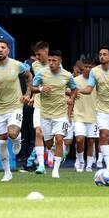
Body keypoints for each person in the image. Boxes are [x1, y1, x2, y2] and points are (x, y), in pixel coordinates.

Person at [0, 39, 33, 182]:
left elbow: (29, 76)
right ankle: (7, 172)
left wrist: (28, 93)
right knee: (1, 141)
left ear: (8, 51)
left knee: (13, 132)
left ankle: (17, 139)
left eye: (3, 47)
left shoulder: (17, 65)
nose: (1, 49)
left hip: (15, 105)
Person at [32, 49, 77, 178]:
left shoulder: (67, 75)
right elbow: (33, 88)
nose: (51, 63)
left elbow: (74, 90)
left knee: (59, 139)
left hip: (61, 114)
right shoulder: (41, 73)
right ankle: (55, 150)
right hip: (45, 114)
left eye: (54, 60)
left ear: (60, 61)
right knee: (48, 143)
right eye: (49, 60)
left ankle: (55, 170)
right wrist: (40, 89)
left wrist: (71, 98)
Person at [29, 41, 52, 173]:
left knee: (50, 138)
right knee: (38, 132)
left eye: (39, 54)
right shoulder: (34, 65)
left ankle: (52, 151)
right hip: (39, 104)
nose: (36, 57)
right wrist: (32, 96)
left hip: (54, 106)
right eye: (35, 55)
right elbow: (34, 83)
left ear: (46, 51)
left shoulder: (56, 65)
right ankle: (41, 165)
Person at [73, 59, 99, 172]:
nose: (88, 69)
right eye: (86, 66)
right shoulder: (74, 80)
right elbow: (69, 94)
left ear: (93, 68)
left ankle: (89, 165)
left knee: (91, 141)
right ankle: (80, 162)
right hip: (78, 115)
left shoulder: (97, 81)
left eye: (90, 67)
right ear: (82, 68)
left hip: (94, 116)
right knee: (79, 140)